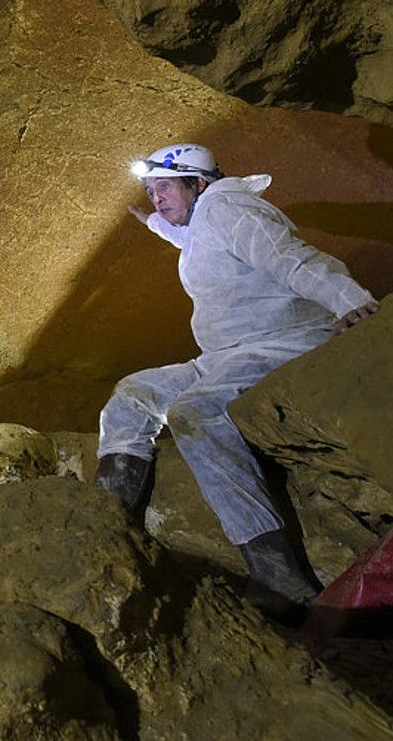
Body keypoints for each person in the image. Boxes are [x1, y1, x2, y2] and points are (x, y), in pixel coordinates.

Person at [95, 144, 378, 607]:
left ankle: (277, 576)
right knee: (133, 395)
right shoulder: (205, 219)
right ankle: (106, 523)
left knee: (196, 411)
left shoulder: (228, 205)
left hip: (285, 340)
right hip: (229, 354)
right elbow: (198, 241)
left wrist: (351, 301)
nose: (155, 197)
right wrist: (155, 224)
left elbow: (286, 256)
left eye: (163, 186)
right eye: (150, 190)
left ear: (197, 182)